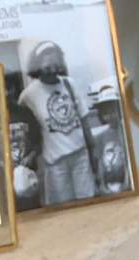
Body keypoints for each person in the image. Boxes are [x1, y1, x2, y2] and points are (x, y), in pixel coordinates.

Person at [17, 41, 97, 206]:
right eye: (46, 61)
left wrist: (93, 151)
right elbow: (23, 127)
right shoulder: (28, 95)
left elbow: (84, 120)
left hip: (80, 156)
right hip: (55, 164)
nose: (51, 66)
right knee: (63, 207)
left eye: (55, 60)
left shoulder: (69, 84)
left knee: (88, 202)